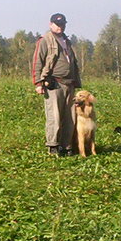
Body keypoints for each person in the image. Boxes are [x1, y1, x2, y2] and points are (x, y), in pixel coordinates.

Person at [31, 13, 81, 155]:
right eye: (57, 24)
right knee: (55, 116)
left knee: (70, 117)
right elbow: (37, 61)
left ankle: (66, 146)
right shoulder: (45, 40)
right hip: (54, 83)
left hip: (69, 84)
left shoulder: (66, 40)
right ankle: (53, 145)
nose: (60, 27)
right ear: (50, 24)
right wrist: (38, 83)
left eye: (63, 24)